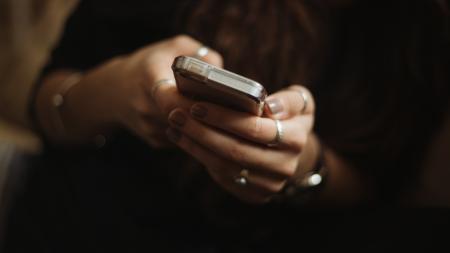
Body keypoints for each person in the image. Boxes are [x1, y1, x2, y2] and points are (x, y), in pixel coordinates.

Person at [4, 0, 450, 252]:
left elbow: (386, 199)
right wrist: (119, 88)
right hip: (80, 226)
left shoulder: (420, 28)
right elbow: (46, 110)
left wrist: (305, 165)